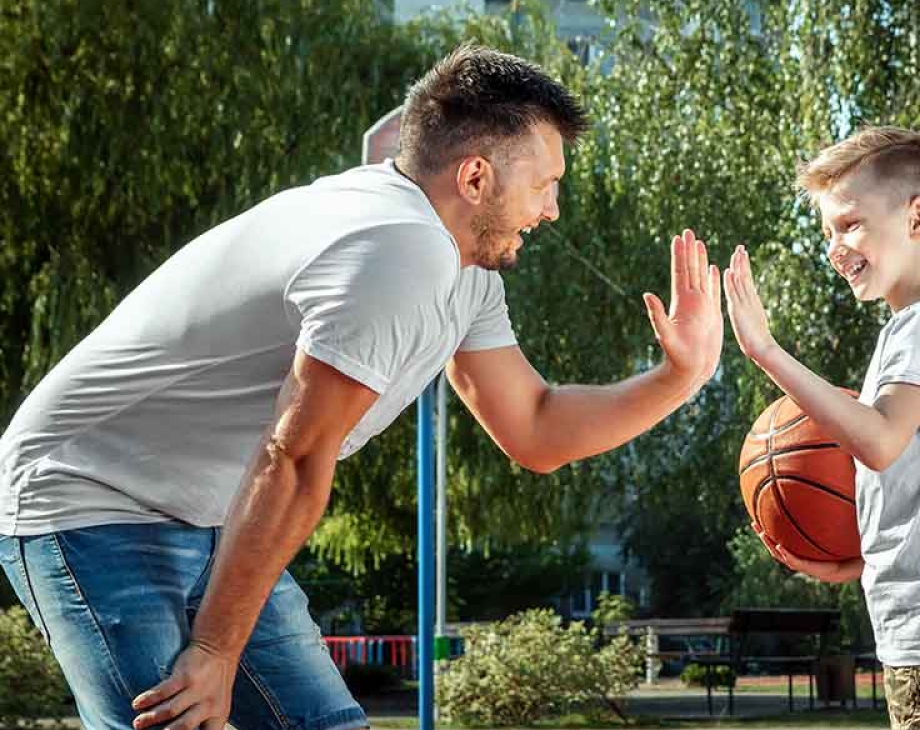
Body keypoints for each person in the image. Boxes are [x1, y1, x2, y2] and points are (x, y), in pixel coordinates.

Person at [0, 46, 722, 730]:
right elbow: (294, 458)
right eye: (546, 185)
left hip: (212, 509)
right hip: (88, 491)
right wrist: (215, 654)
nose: (552, 209)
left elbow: (534, 427)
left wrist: (676, 378)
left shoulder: (463, 271)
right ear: (475, 179)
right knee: (175, 715)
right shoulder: (395, 250)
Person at [722, 127, 920, 729]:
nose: (835, 246)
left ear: (919, 218)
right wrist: (855, 563)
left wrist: (768, 354)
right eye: (828, 231)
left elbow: (878, 444)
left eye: (850, 224)